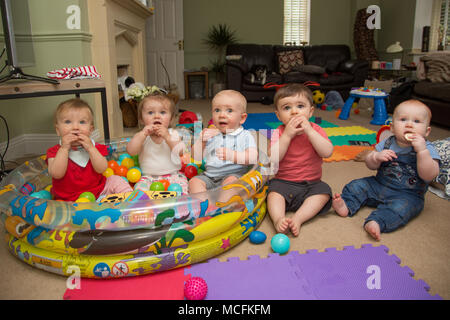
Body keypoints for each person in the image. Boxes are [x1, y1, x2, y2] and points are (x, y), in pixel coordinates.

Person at [332, 99, 441, 240]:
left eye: (417, 121)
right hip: (378, 185)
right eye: (403, 119)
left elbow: (428, 175)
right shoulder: (387, 143)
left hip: (407, 194)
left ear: (427, 131)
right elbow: (370, 165)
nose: (409, 124)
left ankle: (377, 221)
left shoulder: (428, 148)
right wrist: (376, 157)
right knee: (357, 185)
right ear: (392, 127)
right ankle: (346, 205)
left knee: (402, 208)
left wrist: (422, 152)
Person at [268, 83, 334, 237]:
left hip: (312, 184)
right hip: (283, 183)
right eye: (286, 108)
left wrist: (310, 131)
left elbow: (327, 152)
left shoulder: (316, 130)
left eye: (300, 106)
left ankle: (298, 218)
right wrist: (287, 136)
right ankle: (279, 220)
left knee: (324, 192)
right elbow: (272, 159)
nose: (294, 112)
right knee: (272, 193)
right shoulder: (279, 132)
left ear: (310, 111)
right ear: (278, 115)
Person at [47, 98, 132, 201]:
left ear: (91, 130)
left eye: (82, 122)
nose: (75, 127)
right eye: (68, 122)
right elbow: (57, 174)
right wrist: (64, 148)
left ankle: (131, 201)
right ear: (58, 130)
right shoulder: (54, 151)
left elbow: (102, 168)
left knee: (115, 179)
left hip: (99, 190)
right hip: (68, 198)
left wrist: (90, 148)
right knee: (64, 209)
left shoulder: (95, 147)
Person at [188, 90, 258, 194]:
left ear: (242, 118)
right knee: (194, 182)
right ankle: (206, 205)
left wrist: (232, 155)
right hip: (209, 176)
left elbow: (252, 157)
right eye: (217, 110)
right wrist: (201, 141)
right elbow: (196, 157)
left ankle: (222, 205)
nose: (221, 115)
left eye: (229, 110)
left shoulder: (245, 135)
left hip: (233, 175)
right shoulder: (210, 134)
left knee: (231, 184)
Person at [126, 91, 188, 194]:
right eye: (150, 113)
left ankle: (180, 208)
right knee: (139, 191)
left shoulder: (173, 134)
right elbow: (131, 151)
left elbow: (181, 151)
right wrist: (143, 134)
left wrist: (167, 137)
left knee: (183, 188)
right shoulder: (141, 136)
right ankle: (148, 209)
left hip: (174, 175)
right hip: (148, 177)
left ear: (171, 119)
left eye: (162, 112)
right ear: (141, 119)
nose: (156, 116)